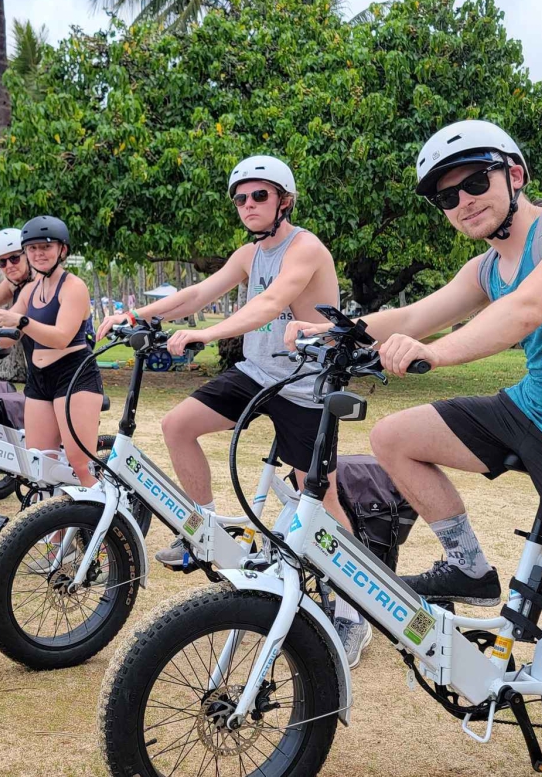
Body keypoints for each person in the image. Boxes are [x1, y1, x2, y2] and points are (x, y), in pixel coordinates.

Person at [289, 120, 542, 777]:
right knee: (394, 436)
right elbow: (412, 316)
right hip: (534, 410)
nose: (463, 199)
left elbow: (524, 311)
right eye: (445, 195)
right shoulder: (486, 265)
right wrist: (333, 331)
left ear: (514, 174)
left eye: (475, 180)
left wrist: (435, 352)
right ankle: (469, 567)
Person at [94, 155, 372, 665]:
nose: (248, 205)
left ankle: (355, 614)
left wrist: (207, 332)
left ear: (283, 200)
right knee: (177, 425)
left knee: (321, 499)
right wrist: (134, 313)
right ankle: (203, 531)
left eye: (259, 195)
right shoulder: (249, 254)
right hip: (255, 374)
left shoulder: (305, 247)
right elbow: (199, 292)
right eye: (241, 198)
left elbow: (270, 305)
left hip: (303, 383)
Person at [0, 217, 104, 487]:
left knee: (79, 465)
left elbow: (61, 337)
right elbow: (6, 338)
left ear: (62, 250)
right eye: (33, 248)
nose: (39, 254)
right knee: (40, 467)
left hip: (73, 376)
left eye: (46, 247)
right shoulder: (29, 290)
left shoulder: (74, 287)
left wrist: (21, 322)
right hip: (39, 380)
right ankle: (53, 529)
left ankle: (104, 523)